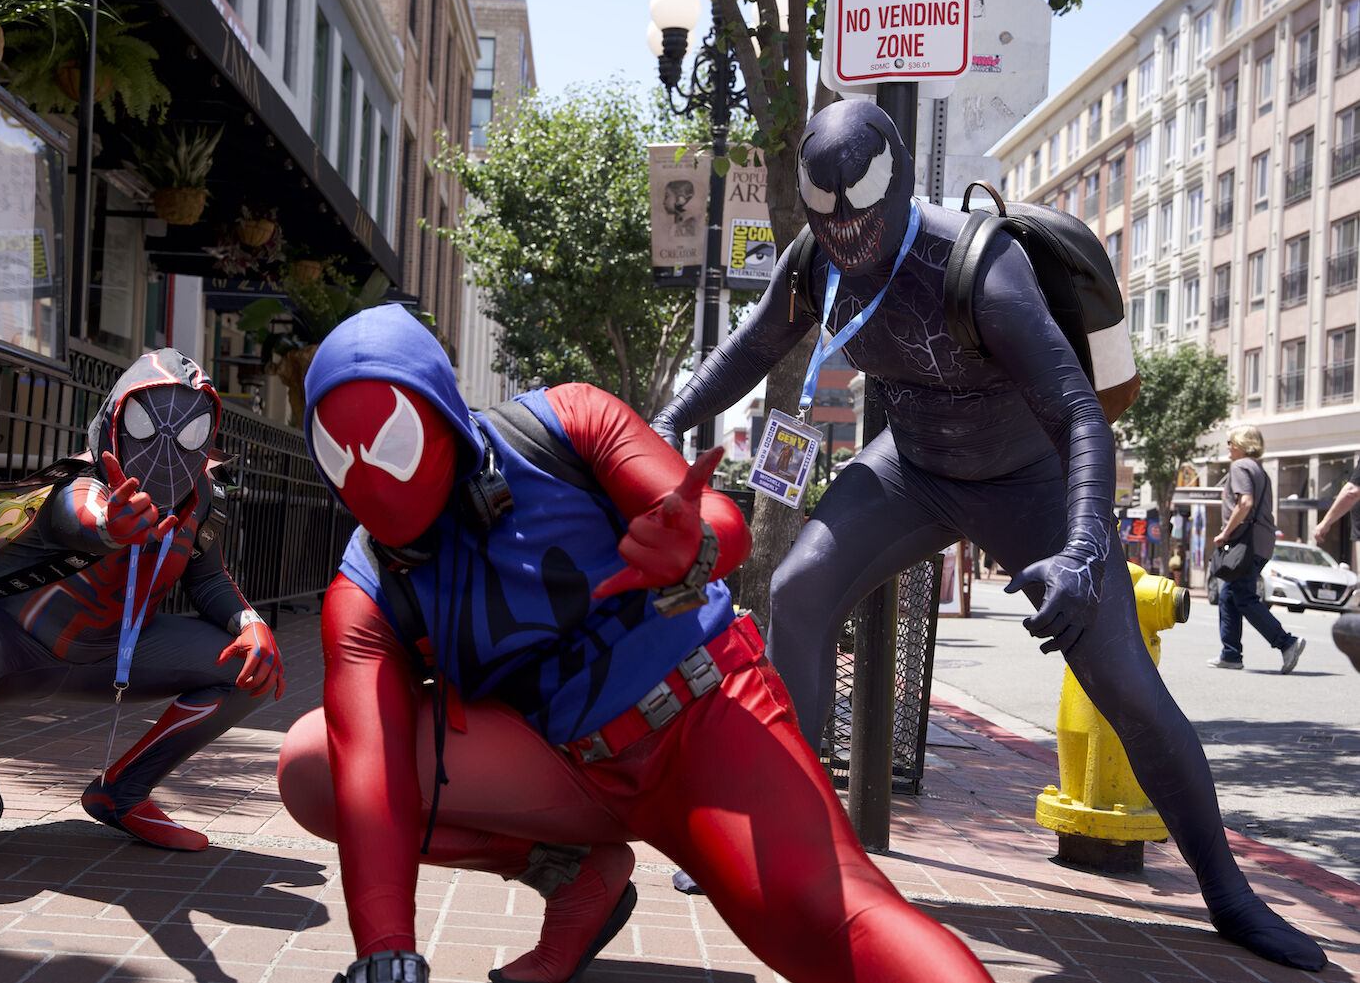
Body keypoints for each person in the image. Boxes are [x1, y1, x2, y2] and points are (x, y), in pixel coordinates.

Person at [648, 98, 1325, 972]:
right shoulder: (817, 260)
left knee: (1123, 682)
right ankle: (784, 835)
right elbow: (746, 351)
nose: (848, 239)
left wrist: (1083, 549)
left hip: (1028, 485)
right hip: (915, 469)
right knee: (797, 588)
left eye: (863, 220)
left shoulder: (979, 263)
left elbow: (1082, 412)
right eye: (831, 222)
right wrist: (664, 423)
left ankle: (1230, 893)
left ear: (897, 186)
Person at [276, 304, 994, 983]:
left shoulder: (564, 422)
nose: (368, 473)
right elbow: (368, 769)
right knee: (315, 764)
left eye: (391, 442)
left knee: (825, 917)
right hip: (569, 768)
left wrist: (695, 543)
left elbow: (702, 513)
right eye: (339, 455)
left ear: (440, 416)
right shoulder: (364, 590)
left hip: (707, 719)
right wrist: (387, 952)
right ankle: (574, 871)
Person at [0, 350, 285, 872]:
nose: (166, 448)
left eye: (189, 433)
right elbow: (77, 514)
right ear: (115, 421)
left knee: (252, 668)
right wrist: (111, 525)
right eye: (148, 425)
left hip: (117, 655)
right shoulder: (79, 482)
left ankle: (123, 792)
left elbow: (207, 576)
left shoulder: (201, 499)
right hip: (20, 648)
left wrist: (250, 623)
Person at [1209, 426, 1305, 675]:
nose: (1228, 446)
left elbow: (1245, 503)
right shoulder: (1260, 469)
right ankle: (1230, 654)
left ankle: (1286, 642)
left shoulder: (1240, 467)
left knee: (1242, 597)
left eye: (1230, 442)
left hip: (1245, 542)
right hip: (1261, 541)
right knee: (1229, 596)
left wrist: (1225, 533)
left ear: (1241, 443)